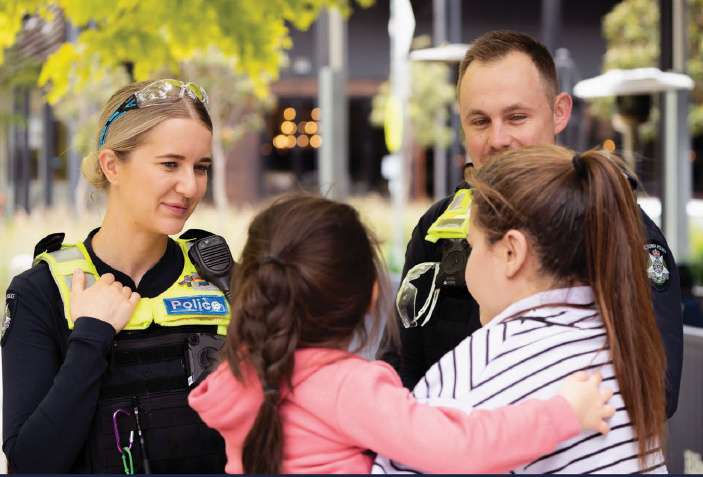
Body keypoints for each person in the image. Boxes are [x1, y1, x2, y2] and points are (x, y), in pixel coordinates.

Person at [189, 194, 615, 474]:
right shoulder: (347, 388)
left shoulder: (240, 377)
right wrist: (563, 412)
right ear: (374, 293)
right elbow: (457, 448)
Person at [386, 30, 683, 418]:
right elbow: (401, 373)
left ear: (560, 112)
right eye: (479, 121)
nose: (498, 138)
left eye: (516, 117)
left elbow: (657, 391)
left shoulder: (615, 222)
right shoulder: (439, 229)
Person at [374, 146, 668, 474]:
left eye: (472, 245)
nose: (468, 263)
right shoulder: (622, 342)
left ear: (511, 252)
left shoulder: (483, 364)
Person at [2, 79, 231, 473]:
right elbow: (30, 464)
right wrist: (91, 335)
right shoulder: (41, 292)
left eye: (201, 167)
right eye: (170, 164)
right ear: (112, 165)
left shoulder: (224, 281)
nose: (191, 186)